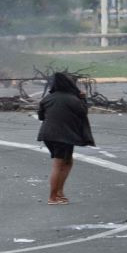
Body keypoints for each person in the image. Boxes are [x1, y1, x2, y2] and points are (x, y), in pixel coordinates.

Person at [37, 72, 94, 205]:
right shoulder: (72, 99)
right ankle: (52, 197)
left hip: (48, 135)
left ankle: (59, 192)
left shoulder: (47, 98)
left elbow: (41, 116)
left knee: (67, 162)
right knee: (59, 164)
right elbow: (83, 112)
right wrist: (83, 99)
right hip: (64, 136)